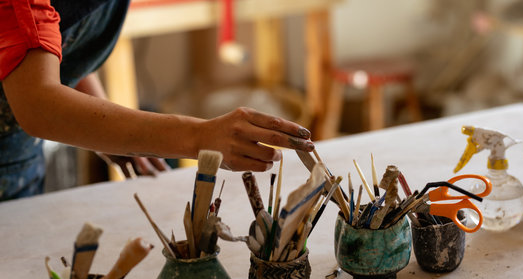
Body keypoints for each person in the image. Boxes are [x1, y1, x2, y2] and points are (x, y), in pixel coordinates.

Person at [0, 0, 314, 201]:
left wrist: (109, 131)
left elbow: (51, 44)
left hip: (21, 154)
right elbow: (38, 104)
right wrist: (200, 137)